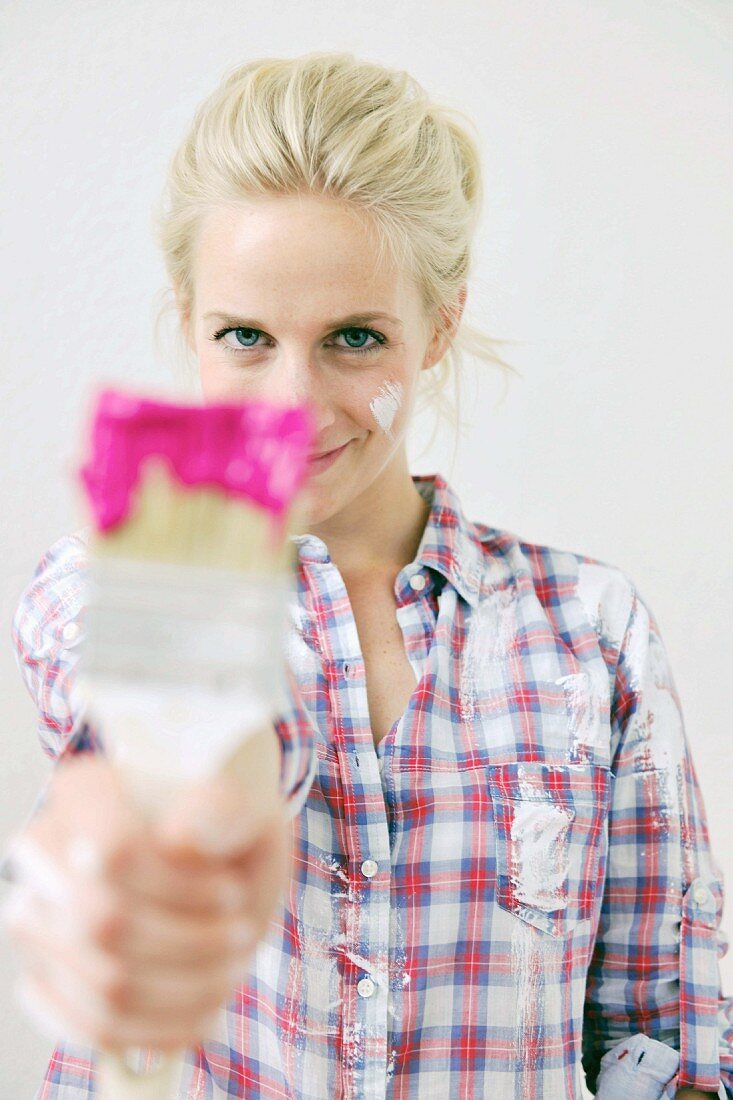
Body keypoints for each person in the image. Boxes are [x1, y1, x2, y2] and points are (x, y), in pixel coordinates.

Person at [1, 50, 730, 1099]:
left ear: (438, 324)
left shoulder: (592, 631)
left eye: (353, 338)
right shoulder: (108, 586)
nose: (292, 402)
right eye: (245, 335)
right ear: (188, 316)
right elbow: (200, 739)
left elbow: (662, 1037)